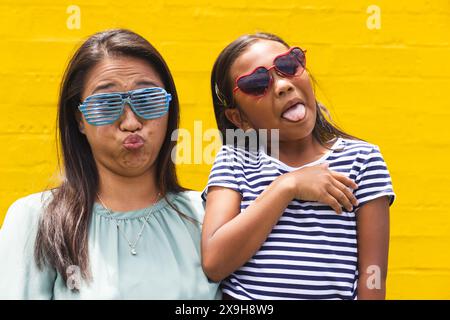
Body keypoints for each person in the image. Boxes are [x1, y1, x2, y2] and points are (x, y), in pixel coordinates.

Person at [0, 29, 220, 299]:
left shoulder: (208, 217)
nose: (131, 122)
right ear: (79, 120)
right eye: (105, 104)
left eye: (148, 100)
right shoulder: (37, 221)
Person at [201, 32, 395, 300]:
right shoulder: (235, 160)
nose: (282, 85)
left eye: (288, 65)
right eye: (257, 83)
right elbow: (215, 263)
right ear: (239, 118)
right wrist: (287, 186)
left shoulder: (363, 160)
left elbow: (372, 273)